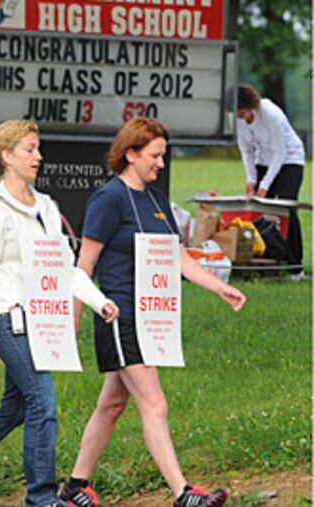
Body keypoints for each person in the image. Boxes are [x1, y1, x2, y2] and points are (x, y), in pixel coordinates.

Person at [0, 120, 119, 507]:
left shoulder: (47, 207)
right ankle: (41, 497)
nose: (39, 156)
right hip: (9, 321)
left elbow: (65, 268)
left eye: (38, 148)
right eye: (30, 149)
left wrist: (100, 302)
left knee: (14, 408)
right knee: (43, 404)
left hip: (43, 323)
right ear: (6, 156)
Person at [60, 118, 247, 507]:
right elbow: (84, 264)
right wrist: (74, 315)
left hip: (151, 318)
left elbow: (176, 257)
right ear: (130, 154)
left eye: (163, 155)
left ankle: (76, 486)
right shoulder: (107, 200)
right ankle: (182, 494)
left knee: (112, 404)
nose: (160, 163)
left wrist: (219, 287)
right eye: (154, 156)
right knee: (155, 403)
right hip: (118, 315)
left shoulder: (158, 201)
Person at [236, 83, 306, 274]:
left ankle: (295, 266)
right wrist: (252, 179)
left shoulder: (271, 115)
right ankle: (266, 258)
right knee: (256, 207)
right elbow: (247, 151)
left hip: (290, 158)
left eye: (242, 112)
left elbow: (280, 153)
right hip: (264, 160)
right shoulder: (238, 121)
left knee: (287, 207)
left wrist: (265, 185)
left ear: (250, 106)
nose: (240, 117)